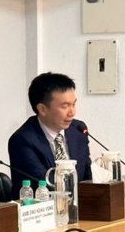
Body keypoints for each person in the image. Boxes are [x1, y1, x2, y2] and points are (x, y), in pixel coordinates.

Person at [7, 72, 92, 200]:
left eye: (73, 104)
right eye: (65, 106)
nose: (72, 112)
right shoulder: (22, 141)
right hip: (42, 208)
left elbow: (87, 177)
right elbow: (46, 186)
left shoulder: (78, 130)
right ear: (42, 109)